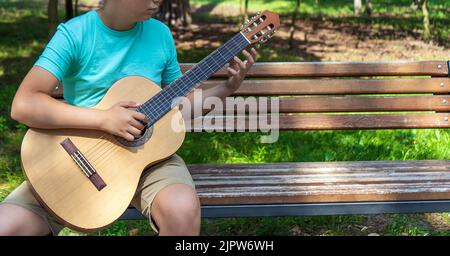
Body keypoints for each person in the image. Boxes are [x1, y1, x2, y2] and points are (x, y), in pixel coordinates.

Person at [0, 0, 257, 236]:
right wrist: (104, 120)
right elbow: (24, 104)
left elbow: (176, 107)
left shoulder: (159, 34)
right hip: (77, 156)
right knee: (6, 226)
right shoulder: (74, 34)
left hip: (150, 160)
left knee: (182, 209)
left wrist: (225, 89)